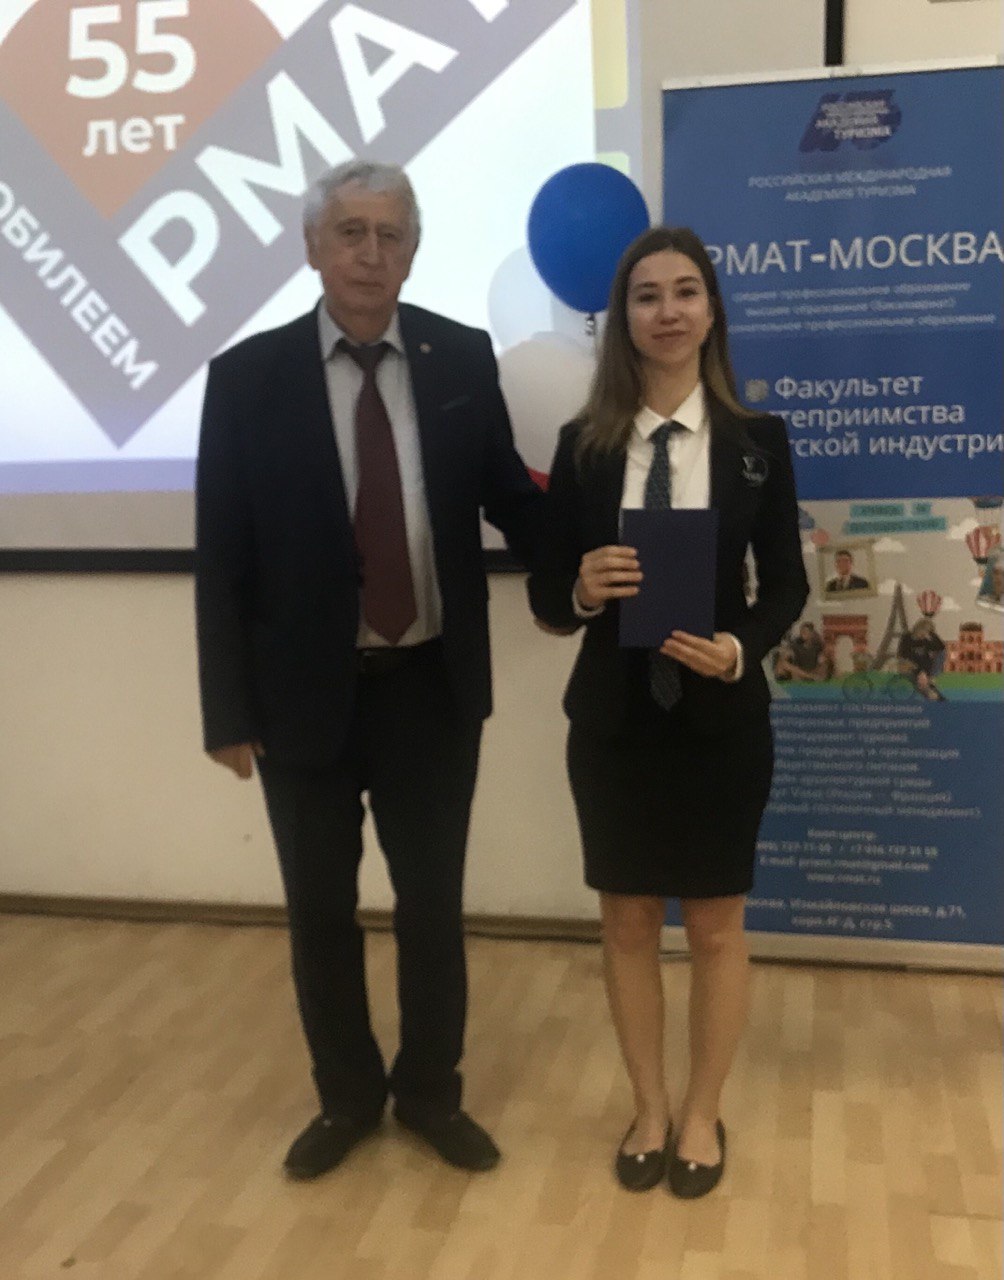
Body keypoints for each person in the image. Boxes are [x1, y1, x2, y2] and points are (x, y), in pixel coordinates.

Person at [195, 160, 544, 1181]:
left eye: (390, 234)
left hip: (431, 687)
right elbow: (222, 557)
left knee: (432, 908)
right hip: (301, 698)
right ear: (313, 247)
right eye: (349, 232)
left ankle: (431, 1092)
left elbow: (508, 499)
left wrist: (583, 559)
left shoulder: (458, 356)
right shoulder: (247, 377)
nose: (369, 252)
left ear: (412, 250)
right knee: (319, 913)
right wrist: (226, 710)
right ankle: (345, 1097)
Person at [528, 226, 808, 1198]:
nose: (668, 310)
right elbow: (544, 594)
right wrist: (579, 587)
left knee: (718, 927)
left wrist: (740, 646)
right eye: (646, 295)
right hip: (614, 725)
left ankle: (700, 1112)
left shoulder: (757, 443)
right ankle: (648, 1107)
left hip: (719, 721)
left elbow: (786, 583)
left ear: (711, 309)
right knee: (627, 923)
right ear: (623, 319)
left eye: (686, 291)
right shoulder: (583, 447)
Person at [897, 618, 946, 700]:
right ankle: (933, 695)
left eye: (927, 633)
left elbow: (940, 649)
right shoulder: (907, 638)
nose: (923, 635)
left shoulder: (927, 639)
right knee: (921, 683)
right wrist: (919, 672)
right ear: (917, 629)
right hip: (910, 665)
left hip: (924, 667)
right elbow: (905, 656)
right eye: (923, 632)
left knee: (925, 682)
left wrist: (931, 639)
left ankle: (934, 693)